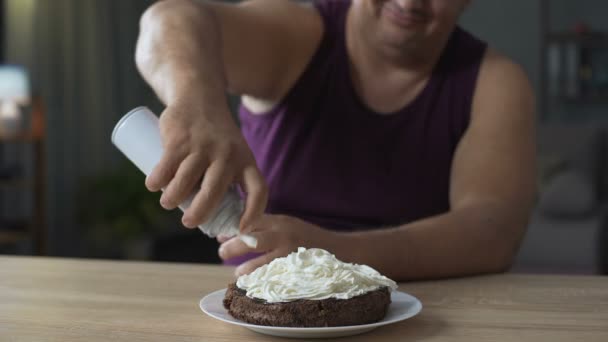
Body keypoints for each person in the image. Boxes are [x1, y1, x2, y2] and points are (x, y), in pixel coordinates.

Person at [135, 0, 536, 281]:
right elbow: (168, 19)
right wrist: (199, 101)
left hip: (416, 315)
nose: (411, 2)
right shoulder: (300, 36)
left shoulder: (496, 82)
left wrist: (337, 252)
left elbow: (492, 231)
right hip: (259, 312)